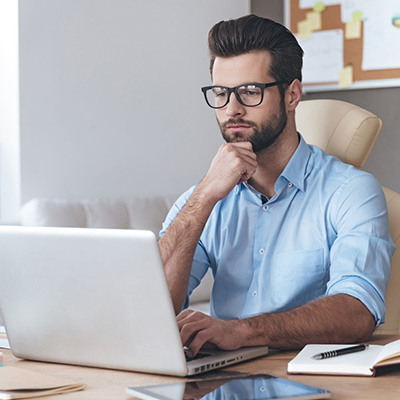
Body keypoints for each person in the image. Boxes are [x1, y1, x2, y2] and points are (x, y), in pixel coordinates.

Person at [158, 15, 395, 358]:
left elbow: (358, 310)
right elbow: (153, 308)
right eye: (221, 93)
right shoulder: (204, 197)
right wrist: (205, 196)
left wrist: (241, 331)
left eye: (250, 92)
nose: (231, 110)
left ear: (292, 95)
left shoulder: (352, 192)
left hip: (312, 379)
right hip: (222, 380)